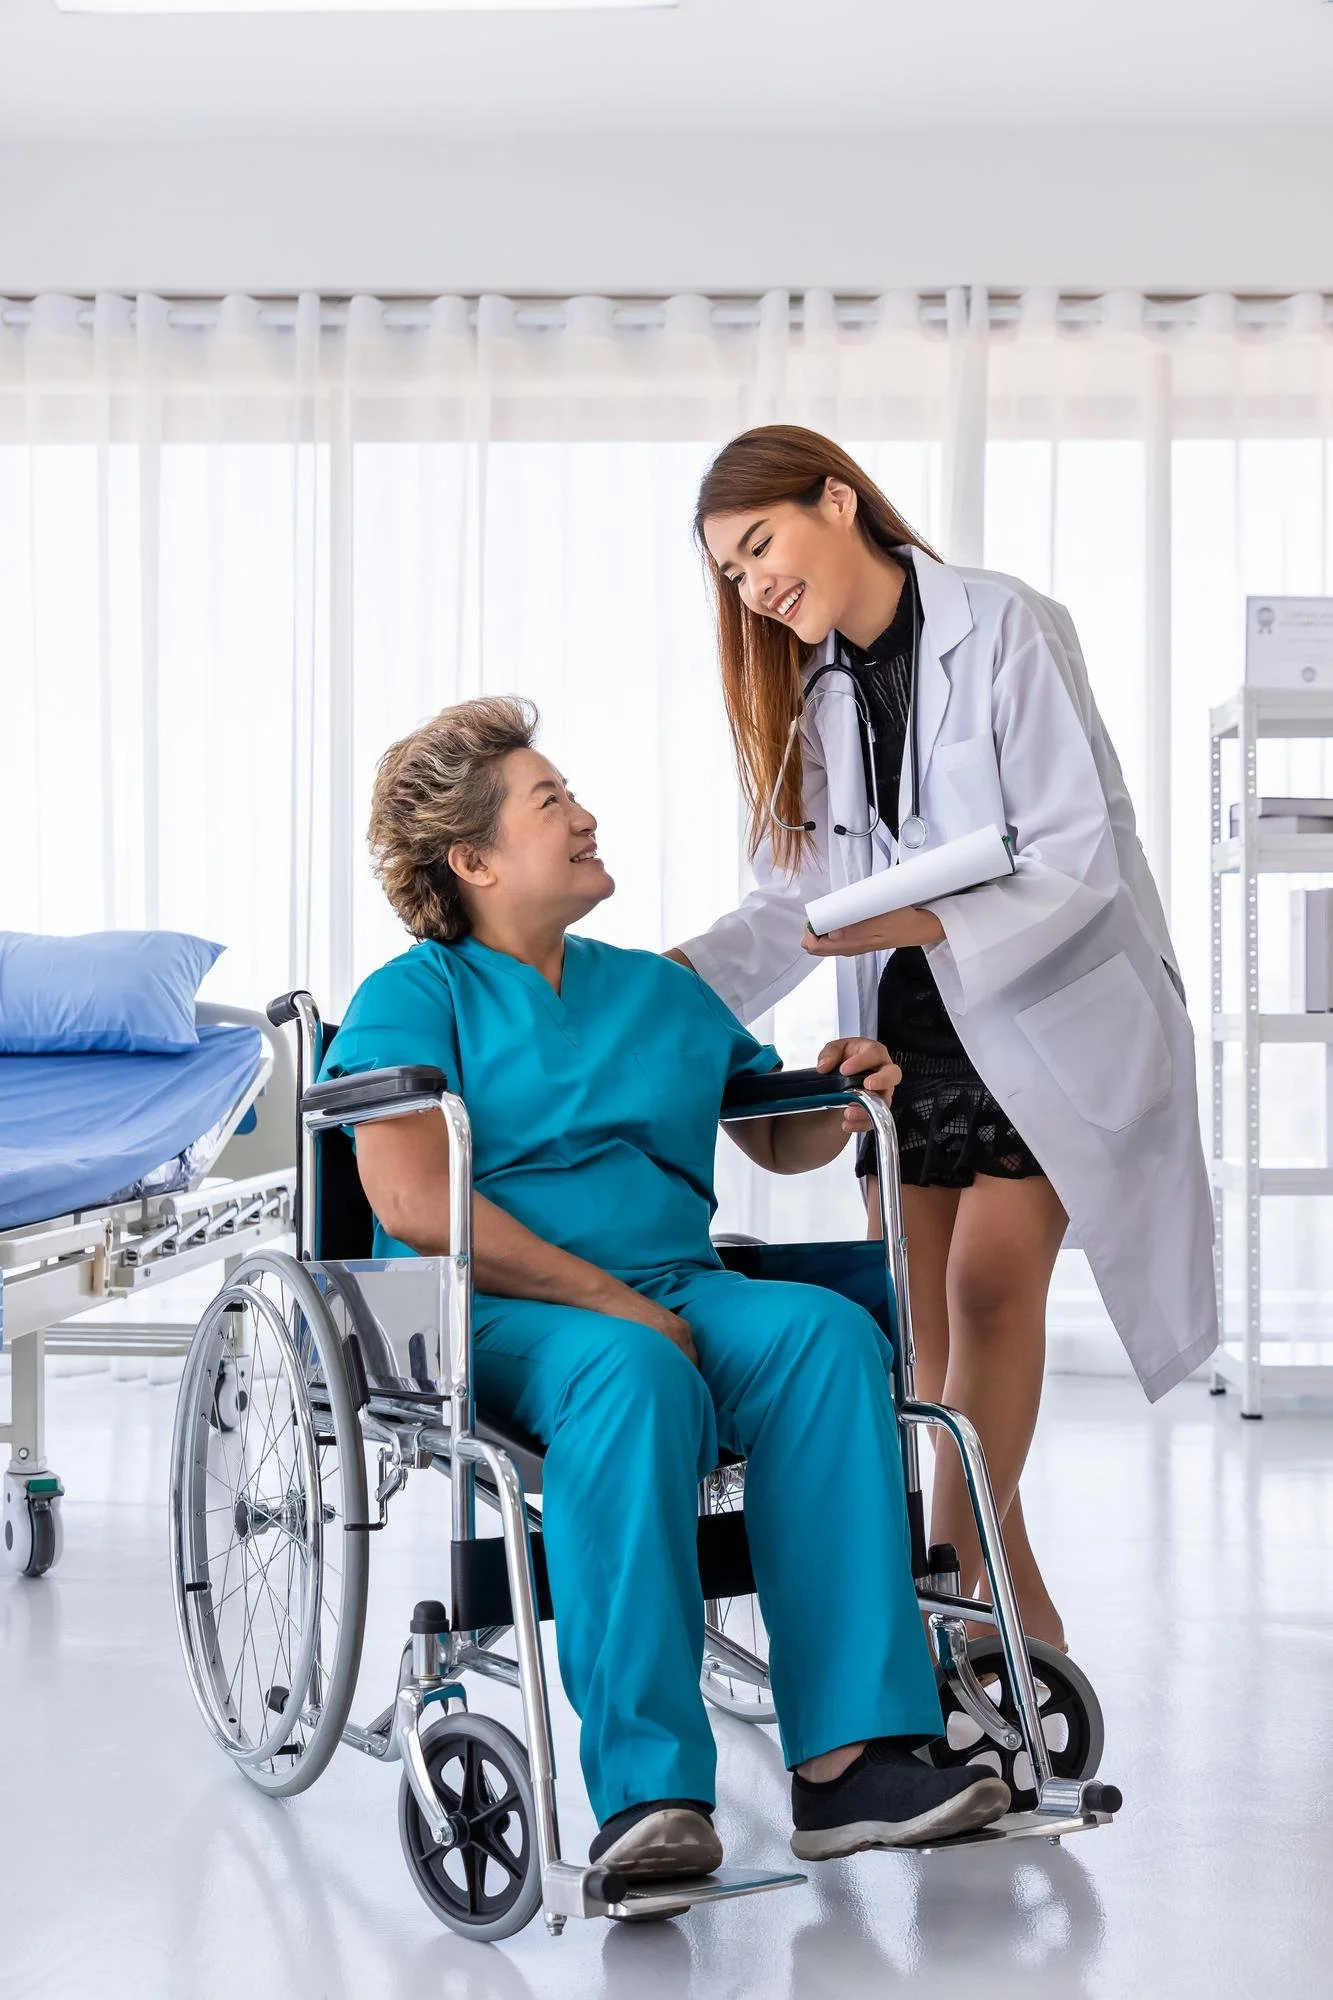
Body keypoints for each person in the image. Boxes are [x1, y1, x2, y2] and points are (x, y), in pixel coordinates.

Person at [318, 694, 1011, 1881]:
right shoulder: (415, 992)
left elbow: (777, 1138)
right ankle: (648, 1793)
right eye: (551, 802)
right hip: (499, 1310)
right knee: (633, 1370)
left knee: (821, 1334)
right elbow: (417, 1200)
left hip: (674, 1286)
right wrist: (607, 1298)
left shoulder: (657, 989)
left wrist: (853, 1083)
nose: (586, 817)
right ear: (473, 858)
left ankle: (850, 1765)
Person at [673, 425, 1217, 1652]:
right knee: (918, 1334)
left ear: (837, 496)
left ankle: (937, 1591)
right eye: (731, 573)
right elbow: (785, 904)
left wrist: (891, 911)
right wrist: (668, 986)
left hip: (1047, 1012)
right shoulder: (805, 697)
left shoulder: (1008, 625)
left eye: (761, 545)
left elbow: (1071, 856)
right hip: (907, 1029)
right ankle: (1014, 1626)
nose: (755, 586)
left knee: (986, 1289)